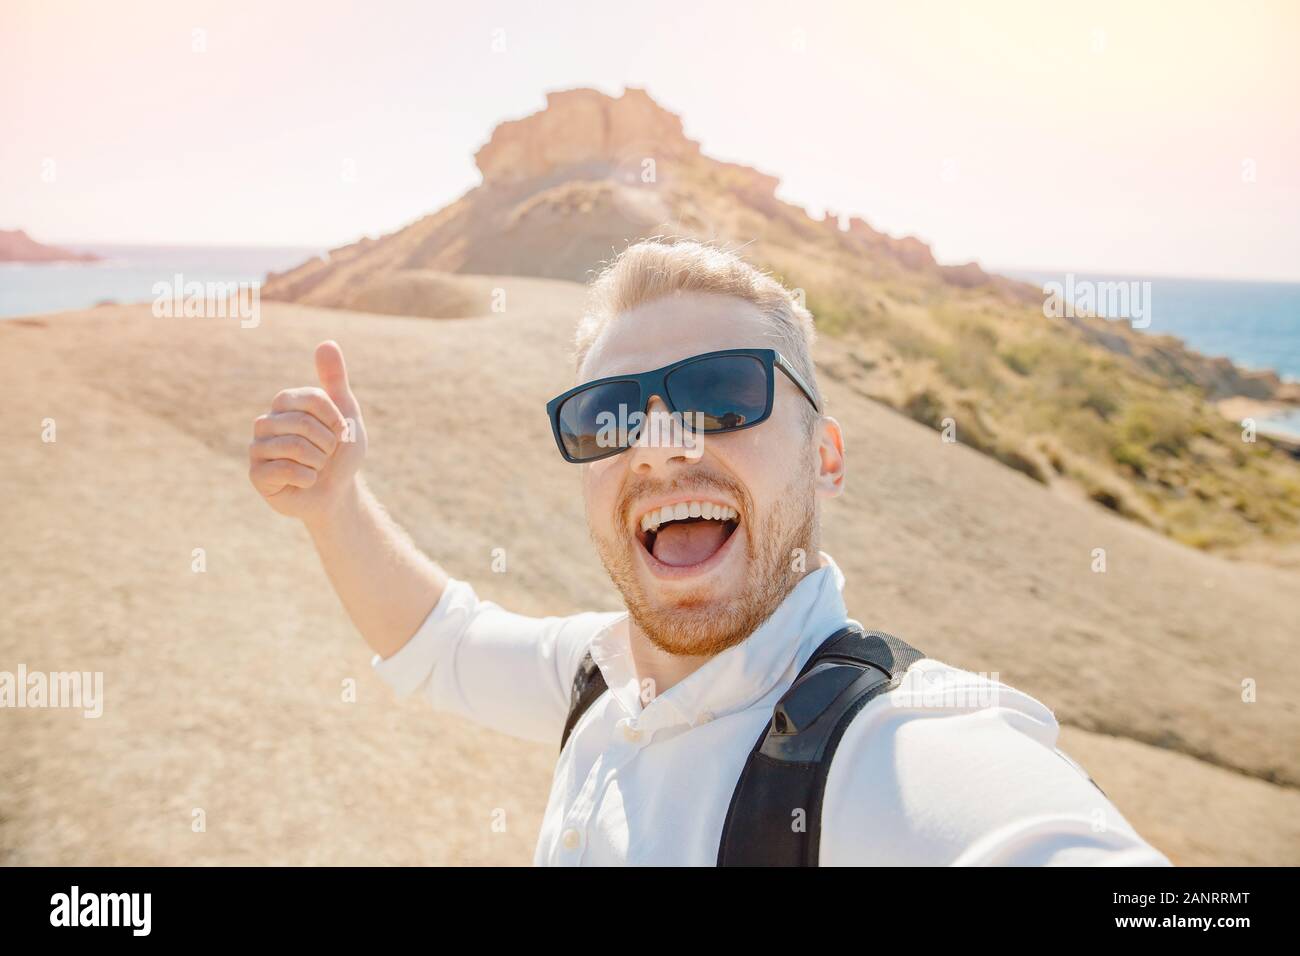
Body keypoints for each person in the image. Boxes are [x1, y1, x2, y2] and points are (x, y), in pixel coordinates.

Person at [247, 239, 1170, 866]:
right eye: (610, 415)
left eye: (723, 395)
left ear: (826, 458)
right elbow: (442, 646)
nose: (659, 445)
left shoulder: (888, 747)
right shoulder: (595, 679)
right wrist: (334, 504)